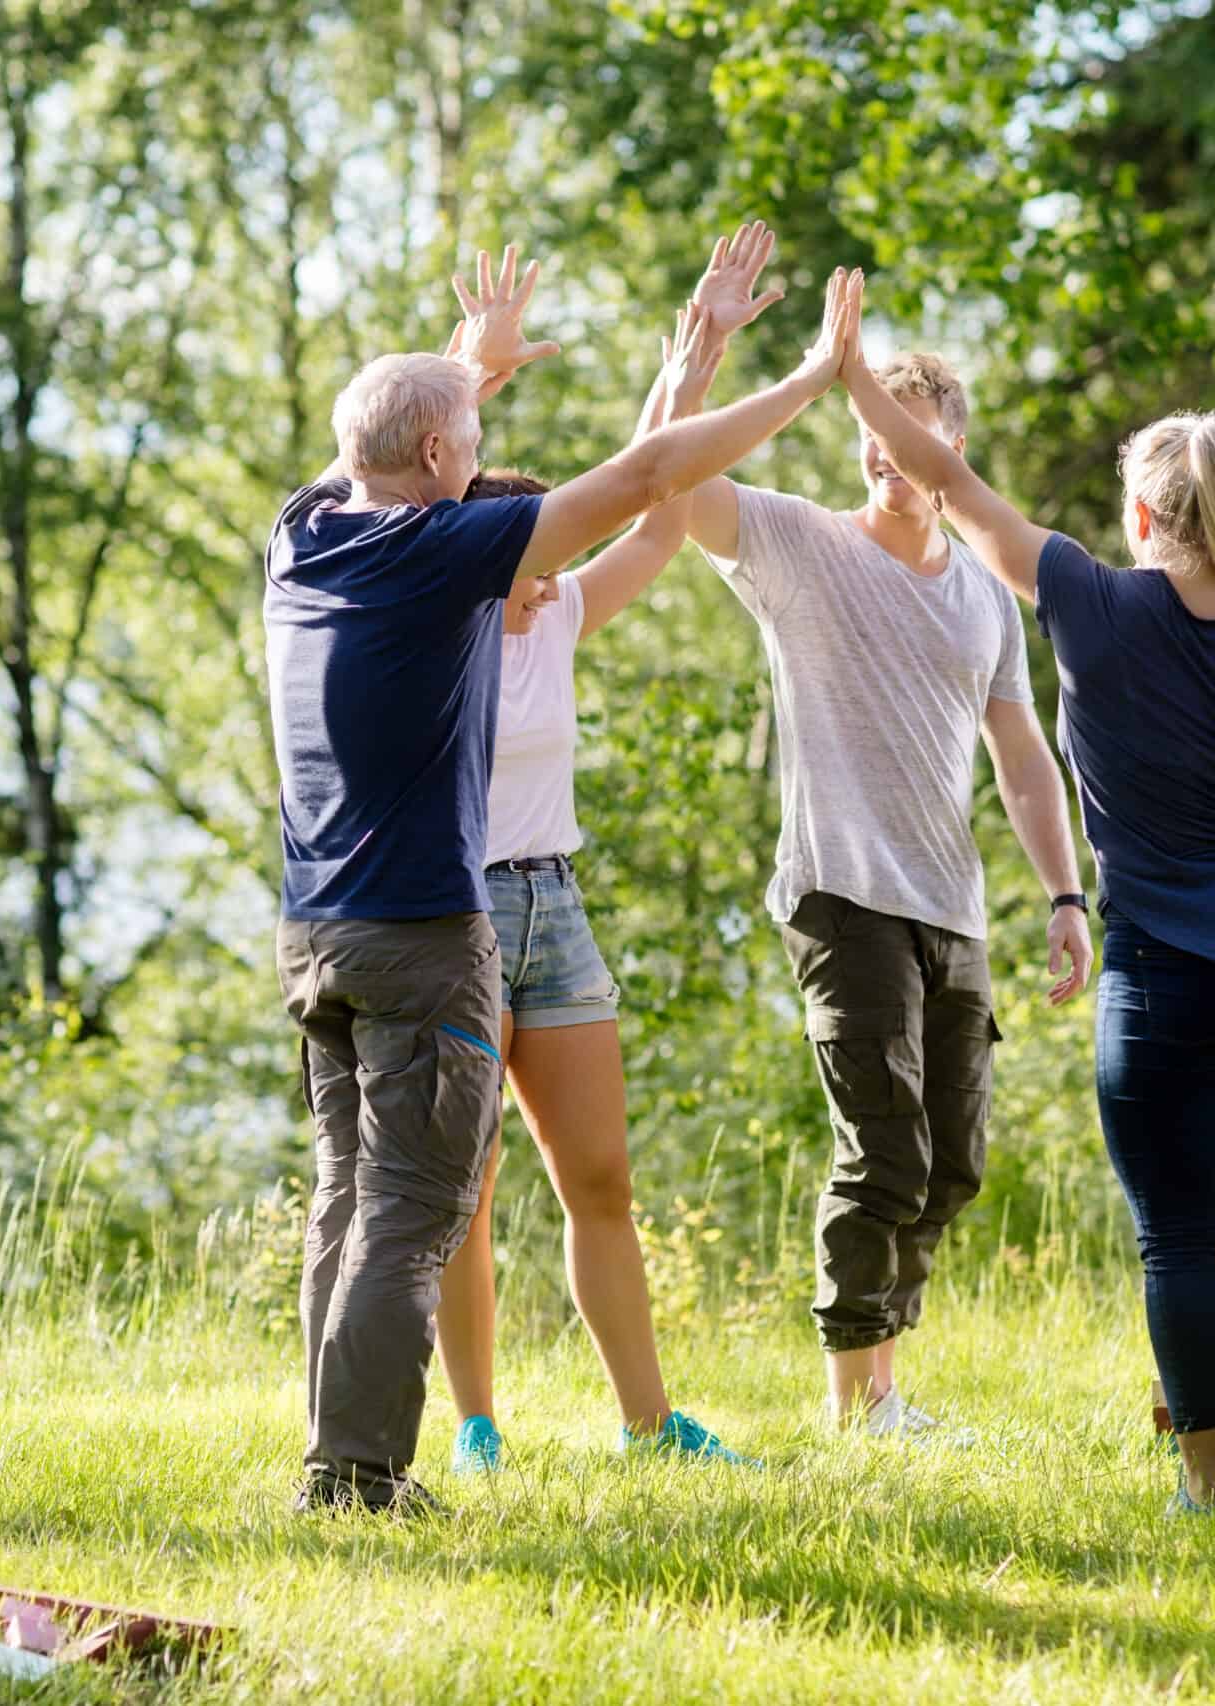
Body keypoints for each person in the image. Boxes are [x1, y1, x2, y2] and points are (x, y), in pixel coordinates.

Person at [266, 242, 863, 1514]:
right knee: (418, 1211)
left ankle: (335, 1456)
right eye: (469, 433)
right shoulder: (442, 556)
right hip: (422, 927)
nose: (478, 449)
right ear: (441, 466)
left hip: (317, 928)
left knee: (350, 1194)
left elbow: (386, 438)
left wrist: (465, 363)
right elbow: (652, 475)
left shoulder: (303, 532)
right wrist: (815, 374)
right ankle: (358, 1476)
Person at [837, 305, 1215, 1510]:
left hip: (1162, 970)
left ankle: (1209, 1486)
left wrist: (848, 373)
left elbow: (943, 476)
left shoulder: (1087, 603)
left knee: (1177, 1237)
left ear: (1145, 514)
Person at [675, 270, 1093, 1437]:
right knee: (882, 1146)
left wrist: (1064, 892)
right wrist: (713, 360)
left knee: (950, 1160)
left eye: (904, 440)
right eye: (865, 436)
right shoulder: (799, 545)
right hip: (837, 890)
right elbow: (674, 478)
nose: (880, 457)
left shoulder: (984, 599)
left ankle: (884, 1391)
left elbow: (1020, 753)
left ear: (949, 450)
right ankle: (856, 1403)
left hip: (951, 906)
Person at [436, 228, 786, 1474]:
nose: (548, 565)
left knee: (602, 1177)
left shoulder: (564, 609)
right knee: (460, 1196)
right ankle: (476, 1425)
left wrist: (696, 357)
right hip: (455, 919)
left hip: (554, 912)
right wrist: (460, 370)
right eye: (527, 548)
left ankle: (650, 1424)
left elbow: (645, 498)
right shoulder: (443, 627)